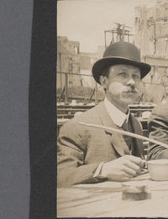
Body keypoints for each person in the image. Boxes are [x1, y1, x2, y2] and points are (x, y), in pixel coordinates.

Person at [57, 42, 151, 187]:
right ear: (104, 81)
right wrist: (102, 170)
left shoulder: (136, 125)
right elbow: (61, 177)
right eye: (122, 74)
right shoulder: (78, 127)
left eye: (136, 76)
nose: (132, 81)